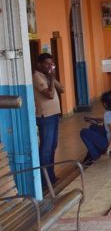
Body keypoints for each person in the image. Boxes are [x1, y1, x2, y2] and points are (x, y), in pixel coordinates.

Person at [32, 53, 64, 184]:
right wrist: (51, 79)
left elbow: (61, 89)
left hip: (54, 115)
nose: (49, 66)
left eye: (51, 64)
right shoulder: (36, 76)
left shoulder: (47, 75)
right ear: (39, 64)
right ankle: (45, 181)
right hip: (45, 116)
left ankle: (51, 176)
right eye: (46, 64)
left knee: (53, 146)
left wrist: (52, 78)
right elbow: (50, 95)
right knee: (46, 148)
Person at [80, 89, 111, 166]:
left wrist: (107, 152)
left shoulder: (108, 114)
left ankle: (95, 157)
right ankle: (90, 156)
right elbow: (110, 123)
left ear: (106, 104)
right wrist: (93, 120)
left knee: (84, 132)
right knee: (93, 127)